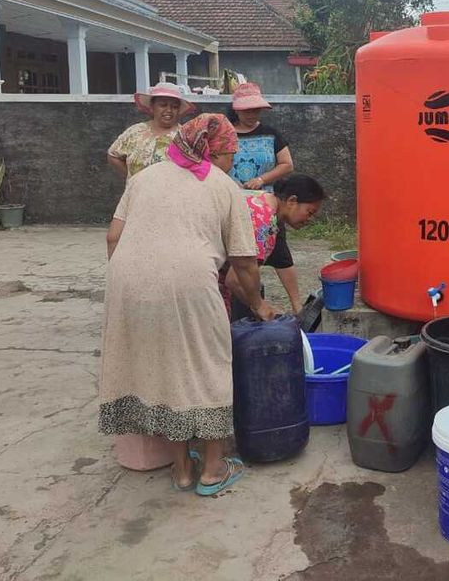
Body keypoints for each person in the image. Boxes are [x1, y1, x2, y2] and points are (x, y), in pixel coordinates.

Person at [100, 113, 277, 497]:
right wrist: (259, 305)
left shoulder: (143, 178)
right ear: (215, 151)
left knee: (166, 368)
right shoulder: (222, 185)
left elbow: (114, 237)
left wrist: (136, 278)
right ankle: (213, 469)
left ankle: (181, 471)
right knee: (208, 366)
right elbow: (244, 261)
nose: (233, 160)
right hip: (187, 282)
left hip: (126, 281)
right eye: (231, 151)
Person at [226, 81, 302, 313]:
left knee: (279, 252)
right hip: (233, 206)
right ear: (236, 109)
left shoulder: (271, 134)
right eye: (247, 110)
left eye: (256, 109)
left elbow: (287, 165)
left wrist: (262, 179)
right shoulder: (224, 134)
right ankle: (249, 302)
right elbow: (211, 165)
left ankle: (298, 307)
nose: (252, 114)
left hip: (267, 207)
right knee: (240, 257)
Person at [223, 174, 325, 318]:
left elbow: (282, 260)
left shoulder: (261, 199)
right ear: (292, 201)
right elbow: (235, 280)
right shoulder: (264, 222)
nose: (310, 219)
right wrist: (262, 307)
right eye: (310, 212)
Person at [107, 82, 194, 180]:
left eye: (174, 107)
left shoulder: (186, 137)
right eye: (163, 105)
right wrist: (133, 177)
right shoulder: (135, 132)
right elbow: (113, 155)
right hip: (138, 194)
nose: (169, 110)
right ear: (152, 107)